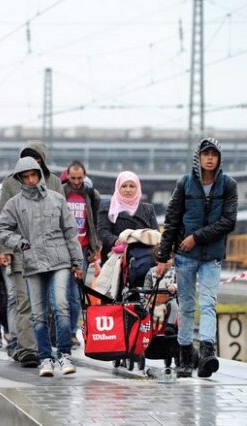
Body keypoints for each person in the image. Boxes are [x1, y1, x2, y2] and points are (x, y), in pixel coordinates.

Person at [0, 157, 84, 377]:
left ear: (40, 175)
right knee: (38, 314)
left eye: (33, 175)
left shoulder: (56, 199)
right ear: (20, 178)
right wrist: (19, 243)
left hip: (59, 259)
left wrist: (77, 262)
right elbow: (0, 229)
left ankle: (63, 355)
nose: (30, 179)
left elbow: (70, 231)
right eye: (25, 176)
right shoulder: (15, 203)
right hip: (33, 263)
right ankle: (45, 358)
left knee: (61, 306)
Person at [156, 138, 237, 378]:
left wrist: (196, 237)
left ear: (219, 158)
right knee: (188, 306)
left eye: (214, 154)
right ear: (198, 157)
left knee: (208, 303)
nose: (210, 157)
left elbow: (228, 221)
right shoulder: (185, 184)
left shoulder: (228, 185)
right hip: (185, 257)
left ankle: (207, 354)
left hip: (211, 256)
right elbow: (171, 220)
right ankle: (183, 357)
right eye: (206, 154)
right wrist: (162, 256)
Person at [0, 141, 61, 368]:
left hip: (51, 254)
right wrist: (5, 250)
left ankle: (44, 346)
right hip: (21, 253)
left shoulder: (54, 182)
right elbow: (4, 220)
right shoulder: (10, 183)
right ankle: (27, 349)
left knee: (49, 304)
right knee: (24, 302)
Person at [63, 161, 101, 345]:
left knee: (75, 293)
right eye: (73, 178)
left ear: (85, 176)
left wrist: (95, 249)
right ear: (67, 176)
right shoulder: (61, 193)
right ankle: (60, 331)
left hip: (82, 249)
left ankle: (70, 331)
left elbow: (94, 224)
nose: (77, 182)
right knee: (61, 293)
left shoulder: (92, 195)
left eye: (80, 178)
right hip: (62, 249)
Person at [97, 171, 158, 262]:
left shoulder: (147, 209)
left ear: (137, 188)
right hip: (113, 257)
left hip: (143, 258)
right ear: (118, 187)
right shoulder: (107, 207)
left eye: (132, 186)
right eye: (124, 186)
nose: (128, 190)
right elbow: (103, 231)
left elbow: (155, 233)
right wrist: (117, 241)